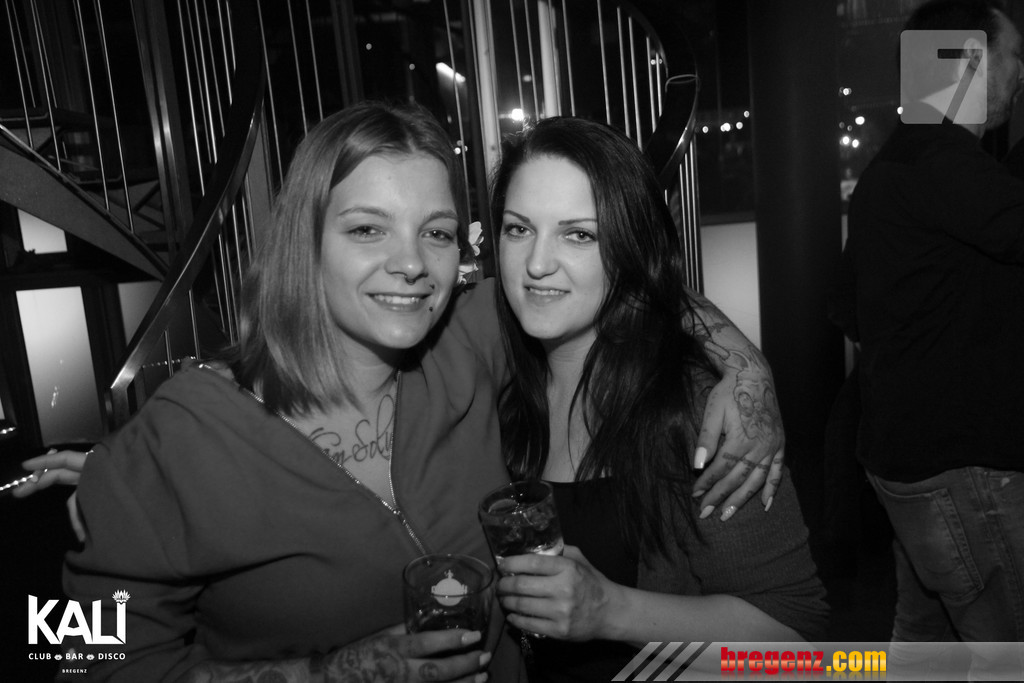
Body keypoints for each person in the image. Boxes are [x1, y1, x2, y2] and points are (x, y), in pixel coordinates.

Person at [38, 101, 787, 681]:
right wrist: (330, 674)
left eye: (436, 233)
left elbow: (620, 283)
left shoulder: (468, 339)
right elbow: (77, 661)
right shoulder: (170, 442)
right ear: (305, 240)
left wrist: (750, 372)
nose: (410, 264)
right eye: (368, 229)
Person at [487, 117, 827, 681]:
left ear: (627, 248)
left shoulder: (696, 407)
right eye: (519, 228)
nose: (537, 263)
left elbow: (795, 639)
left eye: (580, 235)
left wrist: (610, 610)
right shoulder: (492, 376)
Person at [836, 0, 1024, 654]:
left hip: (908, 465)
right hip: (963, 469)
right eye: (1013, 55)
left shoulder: (896, 164)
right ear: (969, 59)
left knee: (924, 643)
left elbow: (848, 311)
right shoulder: (947, 163)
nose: (1021, 72)